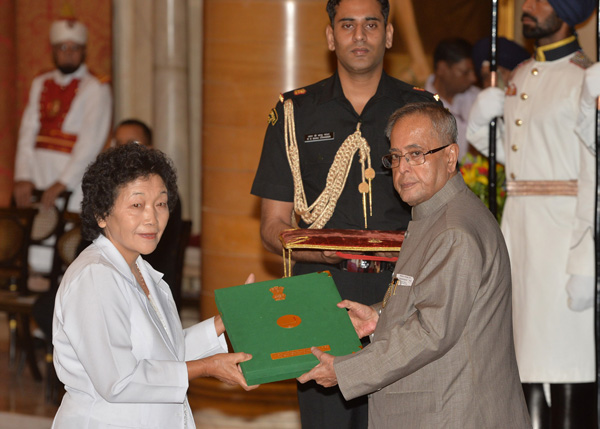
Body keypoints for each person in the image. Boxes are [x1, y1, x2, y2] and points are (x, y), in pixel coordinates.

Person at [250, 0, 439, 427]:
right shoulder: (294, 113)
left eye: (371, 24)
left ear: (388, 35)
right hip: (322, 295)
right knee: (326, 420)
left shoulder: (421, 110)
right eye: (347, 25)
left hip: (403, 291)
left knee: (402, 415)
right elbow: (271, 225)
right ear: (331, 36)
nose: (360, 35)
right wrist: (321, 253)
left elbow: (443, 214)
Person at [298, 102, 531, 428]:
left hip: (455, 413)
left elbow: (431, 332)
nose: (403, 168)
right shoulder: (436, 214)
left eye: (416, 154)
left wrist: (345, 371)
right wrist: (379, 316)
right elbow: (431, 302)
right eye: (395, 157)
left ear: (450, 157)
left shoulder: (453, 230)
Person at [51, 143, 256, 428]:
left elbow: (166, 352)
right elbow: (119, 380)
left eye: (160, 204)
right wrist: (207, 367)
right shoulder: (95, 276)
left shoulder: (142, 270)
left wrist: (224, 321)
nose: (152, 218)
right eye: (137, 205)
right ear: (101, 214)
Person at [466, 0, 596, 426]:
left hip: (563, 243)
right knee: (521, 364)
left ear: (568, 10)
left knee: (566, 364)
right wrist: (484, 126)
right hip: (519, 237)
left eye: (542, 0)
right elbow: (521, 162)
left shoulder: (584, 78)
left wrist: (586, 261)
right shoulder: (521, 75)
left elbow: (594, 176)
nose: (528, 6)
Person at [12, 17, 112, 273]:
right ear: (54, 51)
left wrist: (63, 182)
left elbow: (91, 142)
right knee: (31, 239)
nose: (68, 54)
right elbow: (27, 133)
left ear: (84, 51)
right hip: (37, 173)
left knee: (65, 247)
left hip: (72, 180)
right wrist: (23, 176)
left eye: (74, 48)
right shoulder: (40, 83)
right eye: (62, 48)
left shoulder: (96, 87)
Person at [112, 118, 185, 310]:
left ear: (150, 148)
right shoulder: (107, 194)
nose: (151, 218)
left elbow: (158, 254)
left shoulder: (166, 194)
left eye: (133, 144)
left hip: (152, 282)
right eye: (119, 144)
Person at [424, 38, 479, 162]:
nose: (473, 78)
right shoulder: (419, 102)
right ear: (442, 68)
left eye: (473, 71)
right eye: (465, 72)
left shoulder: (478, 98)